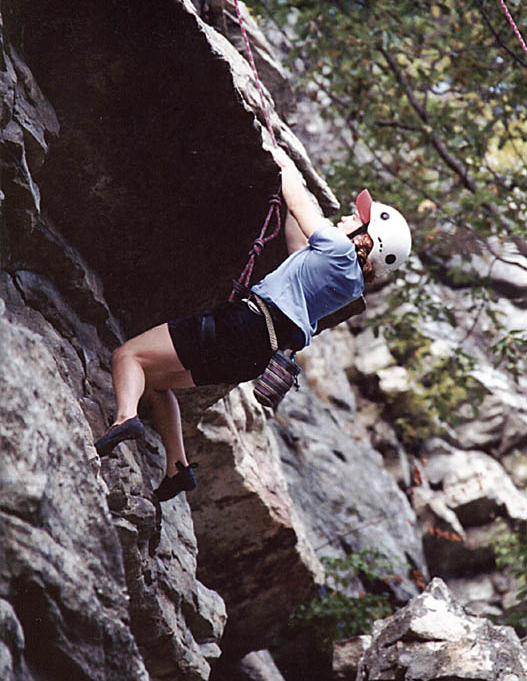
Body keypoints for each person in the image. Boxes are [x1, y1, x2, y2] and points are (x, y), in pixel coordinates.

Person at [95, 151, 411, 501]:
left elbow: (300, 203)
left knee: (128, 356)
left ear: (368, 239)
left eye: (356, 218)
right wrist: (292, 206)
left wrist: (280, 155)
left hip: (243, 324)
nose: (347, 218)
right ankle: (177, 468)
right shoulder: (350, 284)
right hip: (255, 358)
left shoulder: (338, 249)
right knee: (155, 382)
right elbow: (298, 248)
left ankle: (124, 418)